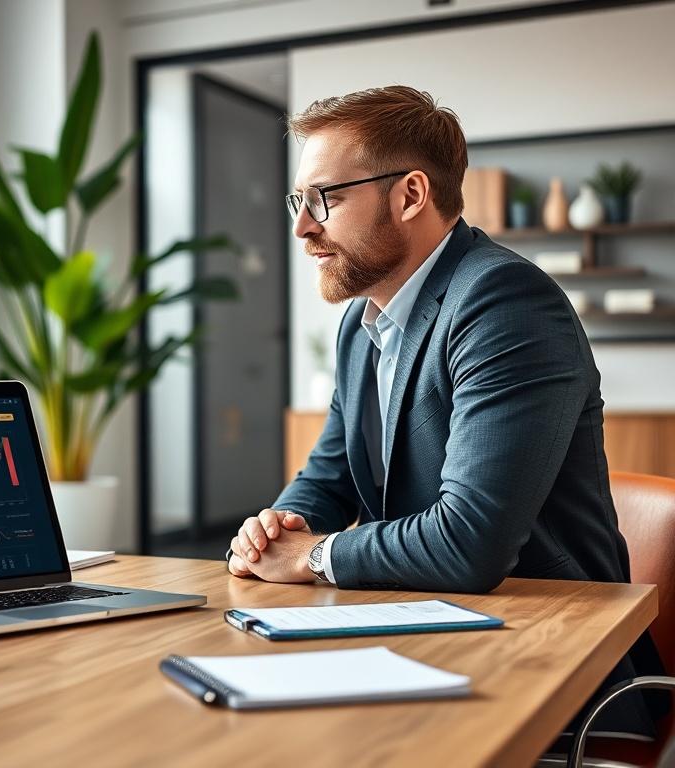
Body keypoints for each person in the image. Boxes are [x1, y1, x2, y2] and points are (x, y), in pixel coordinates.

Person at [226, 85, 664, 735]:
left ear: (409, 195)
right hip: (419, 639)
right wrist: (278, 529)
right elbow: (330, 477)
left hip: (554, 675)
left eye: (328, 198)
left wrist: (314, 557)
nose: (302, 227)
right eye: (300, 200)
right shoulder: (362, 323)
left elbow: (470, 543)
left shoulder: (503, 302)